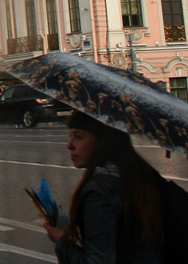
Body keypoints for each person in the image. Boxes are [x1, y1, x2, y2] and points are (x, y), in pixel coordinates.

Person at [43, 111, 164, 263]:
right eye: (70, 136)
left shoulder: (100, 191)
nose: (69, 145)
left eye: (79, 137)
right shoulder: (141, 174)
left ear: (103, 142)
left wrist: (61, 241)